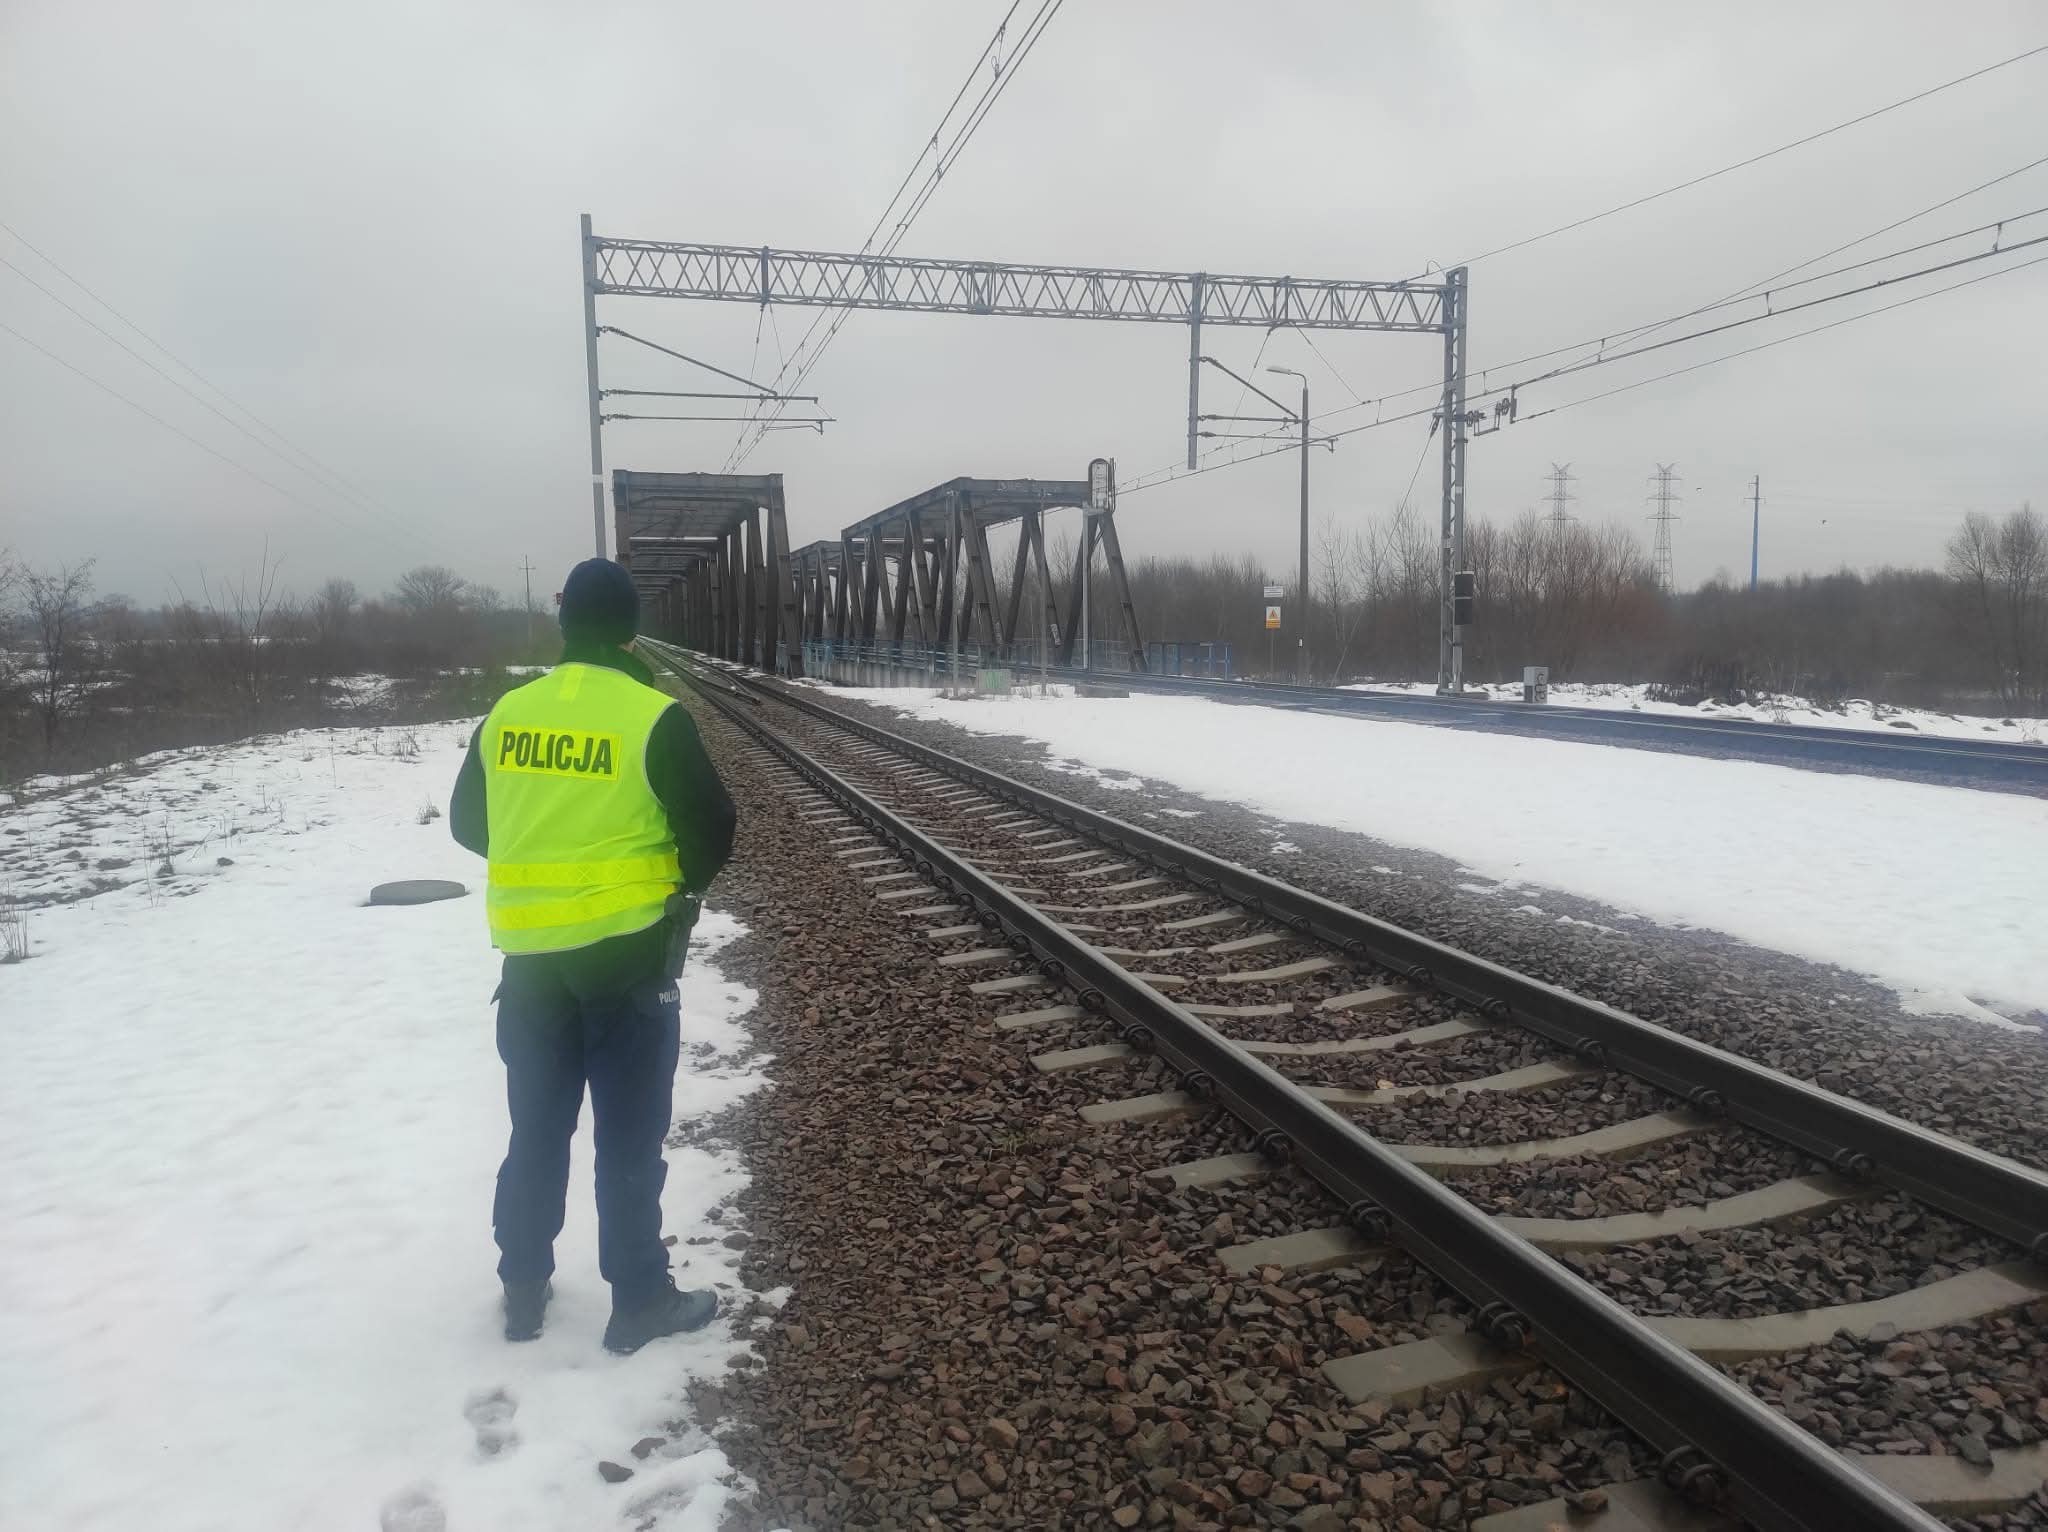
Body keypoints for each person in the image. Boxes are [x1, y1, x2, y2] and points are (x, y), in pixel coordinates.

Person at [449, 558, 736, 1353]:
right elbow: (713, 828)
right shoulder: (652, 715)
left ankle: (522, 1285)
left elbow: (469, 824)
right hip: (628, 962)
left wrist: (545, 858)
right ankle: (638, 1298)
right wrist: (666, 887)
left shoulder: (508, 713)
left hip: (532, 966)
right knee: (627, 1137)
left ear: (563, 622)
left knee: (536, 1128)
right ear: (631, 628)